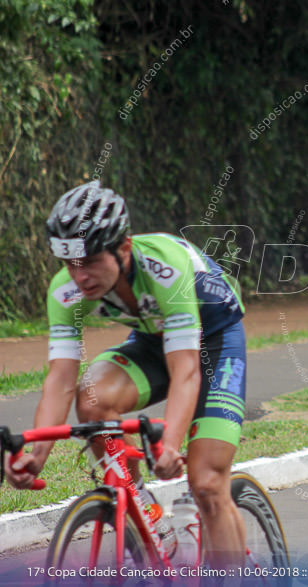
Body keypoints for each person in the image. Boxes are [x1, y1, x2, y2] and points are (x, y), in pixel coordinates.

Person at [3, 181, 248, 568]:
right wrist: (37, 455)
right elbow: (61, 379)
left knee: (207, 483)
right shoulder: (64, 291)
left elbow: (186, 370)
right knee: (92, 398)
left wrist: (169, 445)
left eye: (90, 261)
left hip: (214, 341)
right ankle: (146, 515)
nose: (79, 277)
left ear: (124, 248)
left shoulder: (166, 268)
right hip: (153, 340)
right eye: (69, 264)